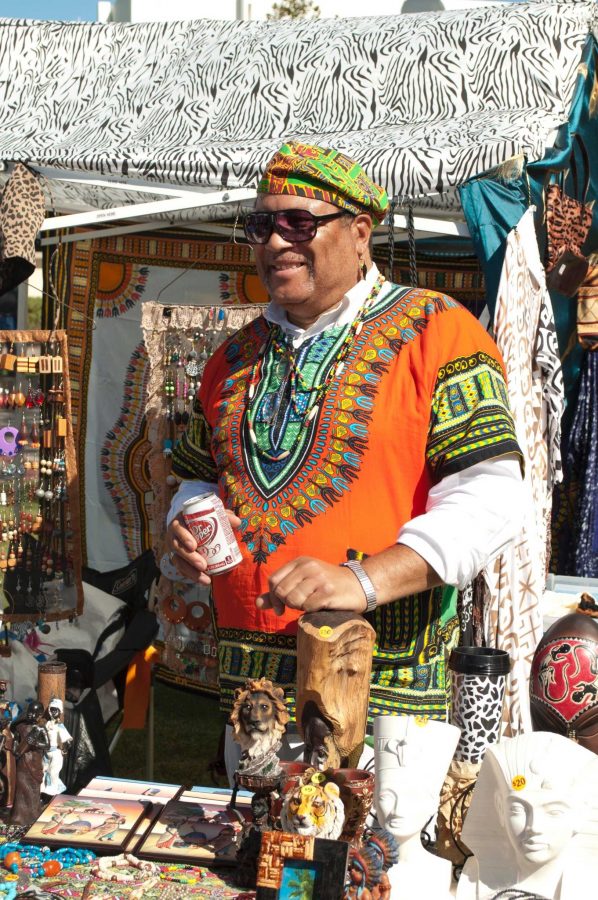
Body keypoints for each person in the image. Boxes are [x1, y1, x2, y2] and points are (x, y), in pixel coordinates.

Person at [166, 140, 523, 778]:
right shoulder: (232, 358)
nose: (275, 242)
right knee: (262, 862)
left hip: (381, 696)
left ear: (360, 233)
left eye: (299, 222)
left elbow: (491, 502)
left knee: (370, 867)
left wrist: (361, 582)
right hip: (253, 699)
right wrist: (186, 518)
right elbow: (198, 475)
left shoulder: (437, 332)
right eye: (261, 225)